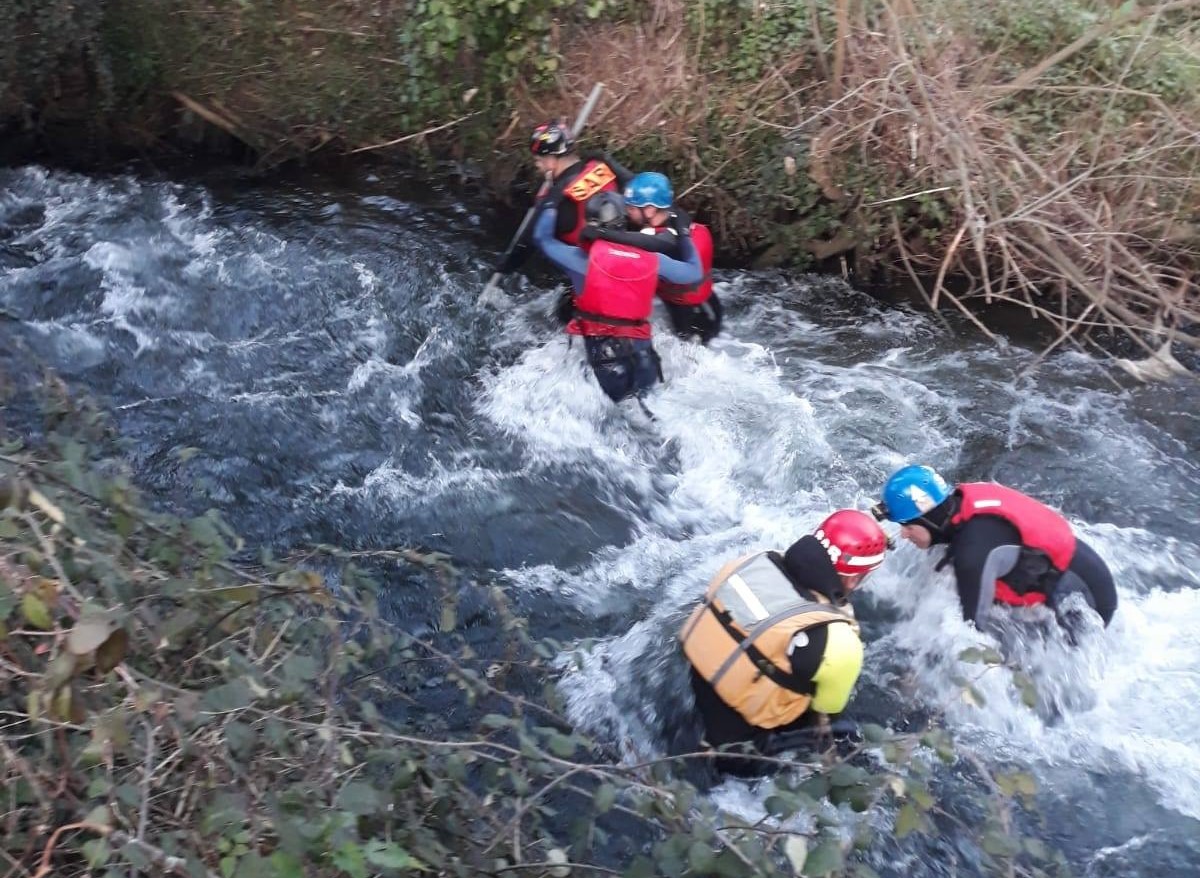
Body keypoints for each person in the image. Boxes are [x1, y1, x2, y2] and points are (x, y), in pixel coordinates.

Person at [678, 510, 889, 772]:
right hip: (742, 743)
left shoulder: (751, 562)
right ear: (853, 577)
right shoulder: (840, 643)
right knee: (845, 732)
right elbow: (827, 709)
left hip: (700, 683)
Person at [874, 465, 1118, 639]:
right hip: (1080, 570)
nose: (904, 534)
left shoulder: (972, 552)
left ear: (930, 518)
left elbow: (970, 635)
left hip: (1086, 602)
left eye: (908, 526)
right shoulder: (960, 510)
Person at [532, 191, 703, 403]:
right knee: (648, 410)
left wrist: (551, 201)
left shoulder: (578, 259)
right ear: (624, 222)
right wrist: (684, 234)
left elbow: (542, 239)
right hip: (643, 354)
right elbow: (694, 272)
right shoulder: (654, 259)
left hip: (604, 357)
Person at [582, 171, 723, 344]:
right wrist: (602, 157)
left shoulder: (670, 237)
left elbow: (650, 242)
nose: (627, 212)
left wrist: (602, 233)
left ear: (649, 210)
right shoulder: (670, 212)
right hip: (687, 300)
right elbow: (629, 179)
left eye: (631, 208)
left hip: (695, 314)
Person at [493, 122, 634, 289]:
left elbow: (529, 241)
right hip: (627, 253)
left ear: (552, 160)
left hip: (590, 271)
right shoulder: (599, 163)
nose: (537, 165)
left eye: (538, 160)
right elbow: (634, 184)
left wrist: (505, 264)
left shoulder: (557, 197)